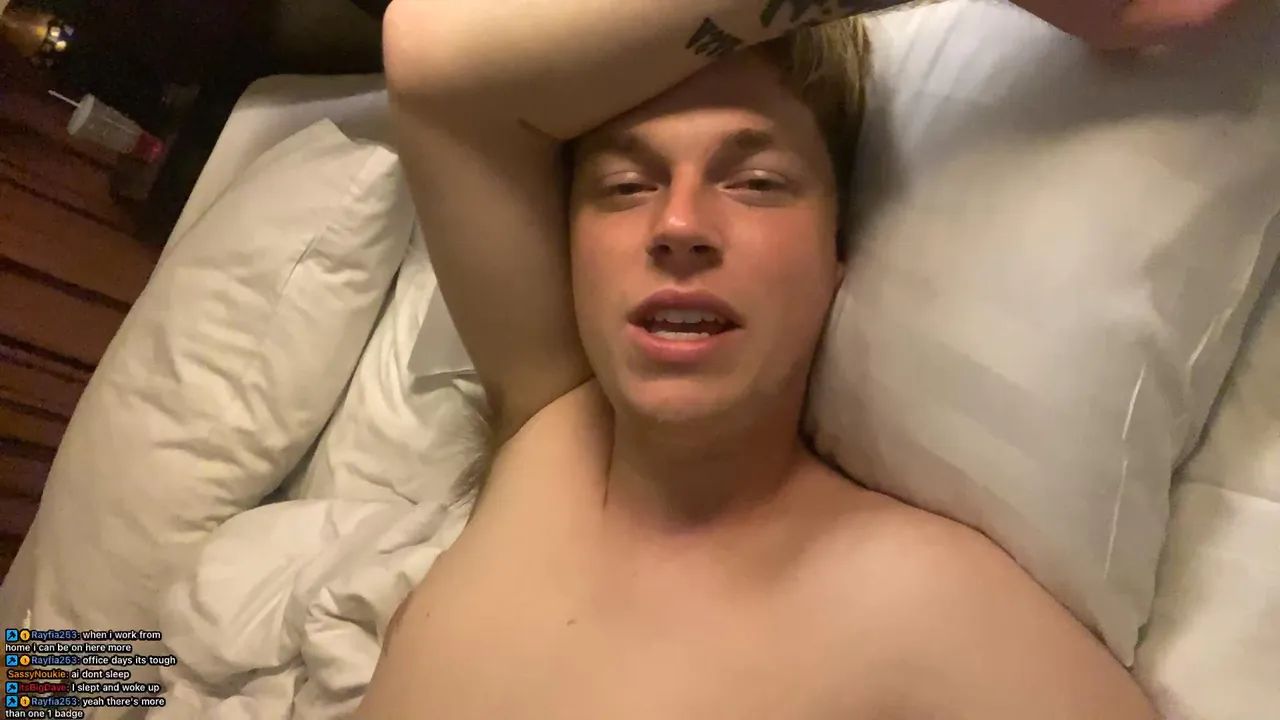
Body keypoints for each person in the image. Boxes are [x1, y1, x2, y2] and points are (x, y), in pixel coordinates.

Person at [356, 1, 1232, 717]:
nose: (678, 225)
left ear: (836, 257)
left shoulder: (922, 610)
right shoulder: (544, 430)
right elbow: (431, 56)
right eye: (626, 186)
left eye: (756, 182)